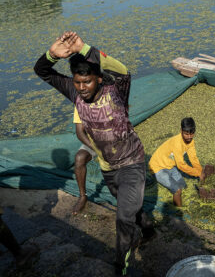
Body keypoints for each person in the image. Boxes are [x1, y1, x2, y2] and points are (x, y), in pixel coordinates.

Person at [34, 31, 154, 276]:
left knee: (123, 218)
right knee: (130, 206)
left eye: (86, 82)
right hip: (108, 167)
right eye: (77, 82)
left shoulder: (116, 90)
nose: (81, 88)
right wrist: (51, 55)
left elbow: (123, 71)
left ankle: (120, 264)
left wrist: (84, 48)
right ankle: (149, 230)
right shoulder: (74, 91)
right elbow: (43, 71)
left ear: (98, 79)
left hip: (132, 162)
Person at [149, 117, 204, 207]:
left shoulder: (191, 142)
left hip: (169, 166)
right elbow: (181, 165)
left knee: (183, 186)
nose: (189, 137)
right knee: (177, 190)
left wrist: (200, 171)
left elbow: (193, 158)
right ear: (181, 130)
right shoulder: (177, 143)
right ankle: (178, 212)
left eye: (191, 134)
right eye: (186, 134)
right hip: (157, 167)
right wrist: (197, 173)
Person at [72, 118, 96, 215]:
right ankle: (83, 196)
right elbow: (79, 132)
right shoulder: (80, 105)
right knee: (79, 158)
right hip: (93, 142)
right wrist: (96, 148)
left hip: (112, 140)